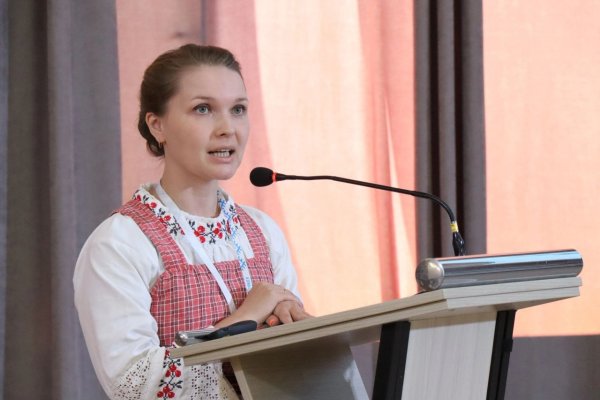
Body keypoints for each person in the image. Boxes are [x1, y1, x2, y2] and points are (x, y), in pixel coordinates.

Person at [73, 44, 310, 399]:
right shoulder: (120, 243)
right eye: (203, 109)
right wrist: (244, 320)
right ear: (157, 125)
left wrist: (294, 328)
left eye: (238, 109)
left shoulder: (263, 232)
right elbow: (135, 385)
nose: (227, 128)